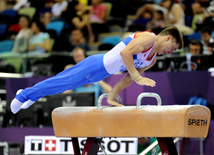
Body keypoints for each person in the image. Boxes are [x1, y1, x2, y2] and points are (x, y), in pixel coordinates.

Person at [10, 26, 183, 114]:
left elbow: (127, 78)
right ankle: (23, 95)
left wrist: (112, 96)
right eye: (172, 47)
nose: (170, 52)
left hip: (101, 73)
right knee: (61, 82)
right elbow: (125, 53)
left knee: (61, 83)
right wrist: (138, 77)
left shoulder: (152, 59)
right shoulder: (149, 38)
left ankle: (33, 94)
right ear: (168, 38)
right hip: (96, 64)